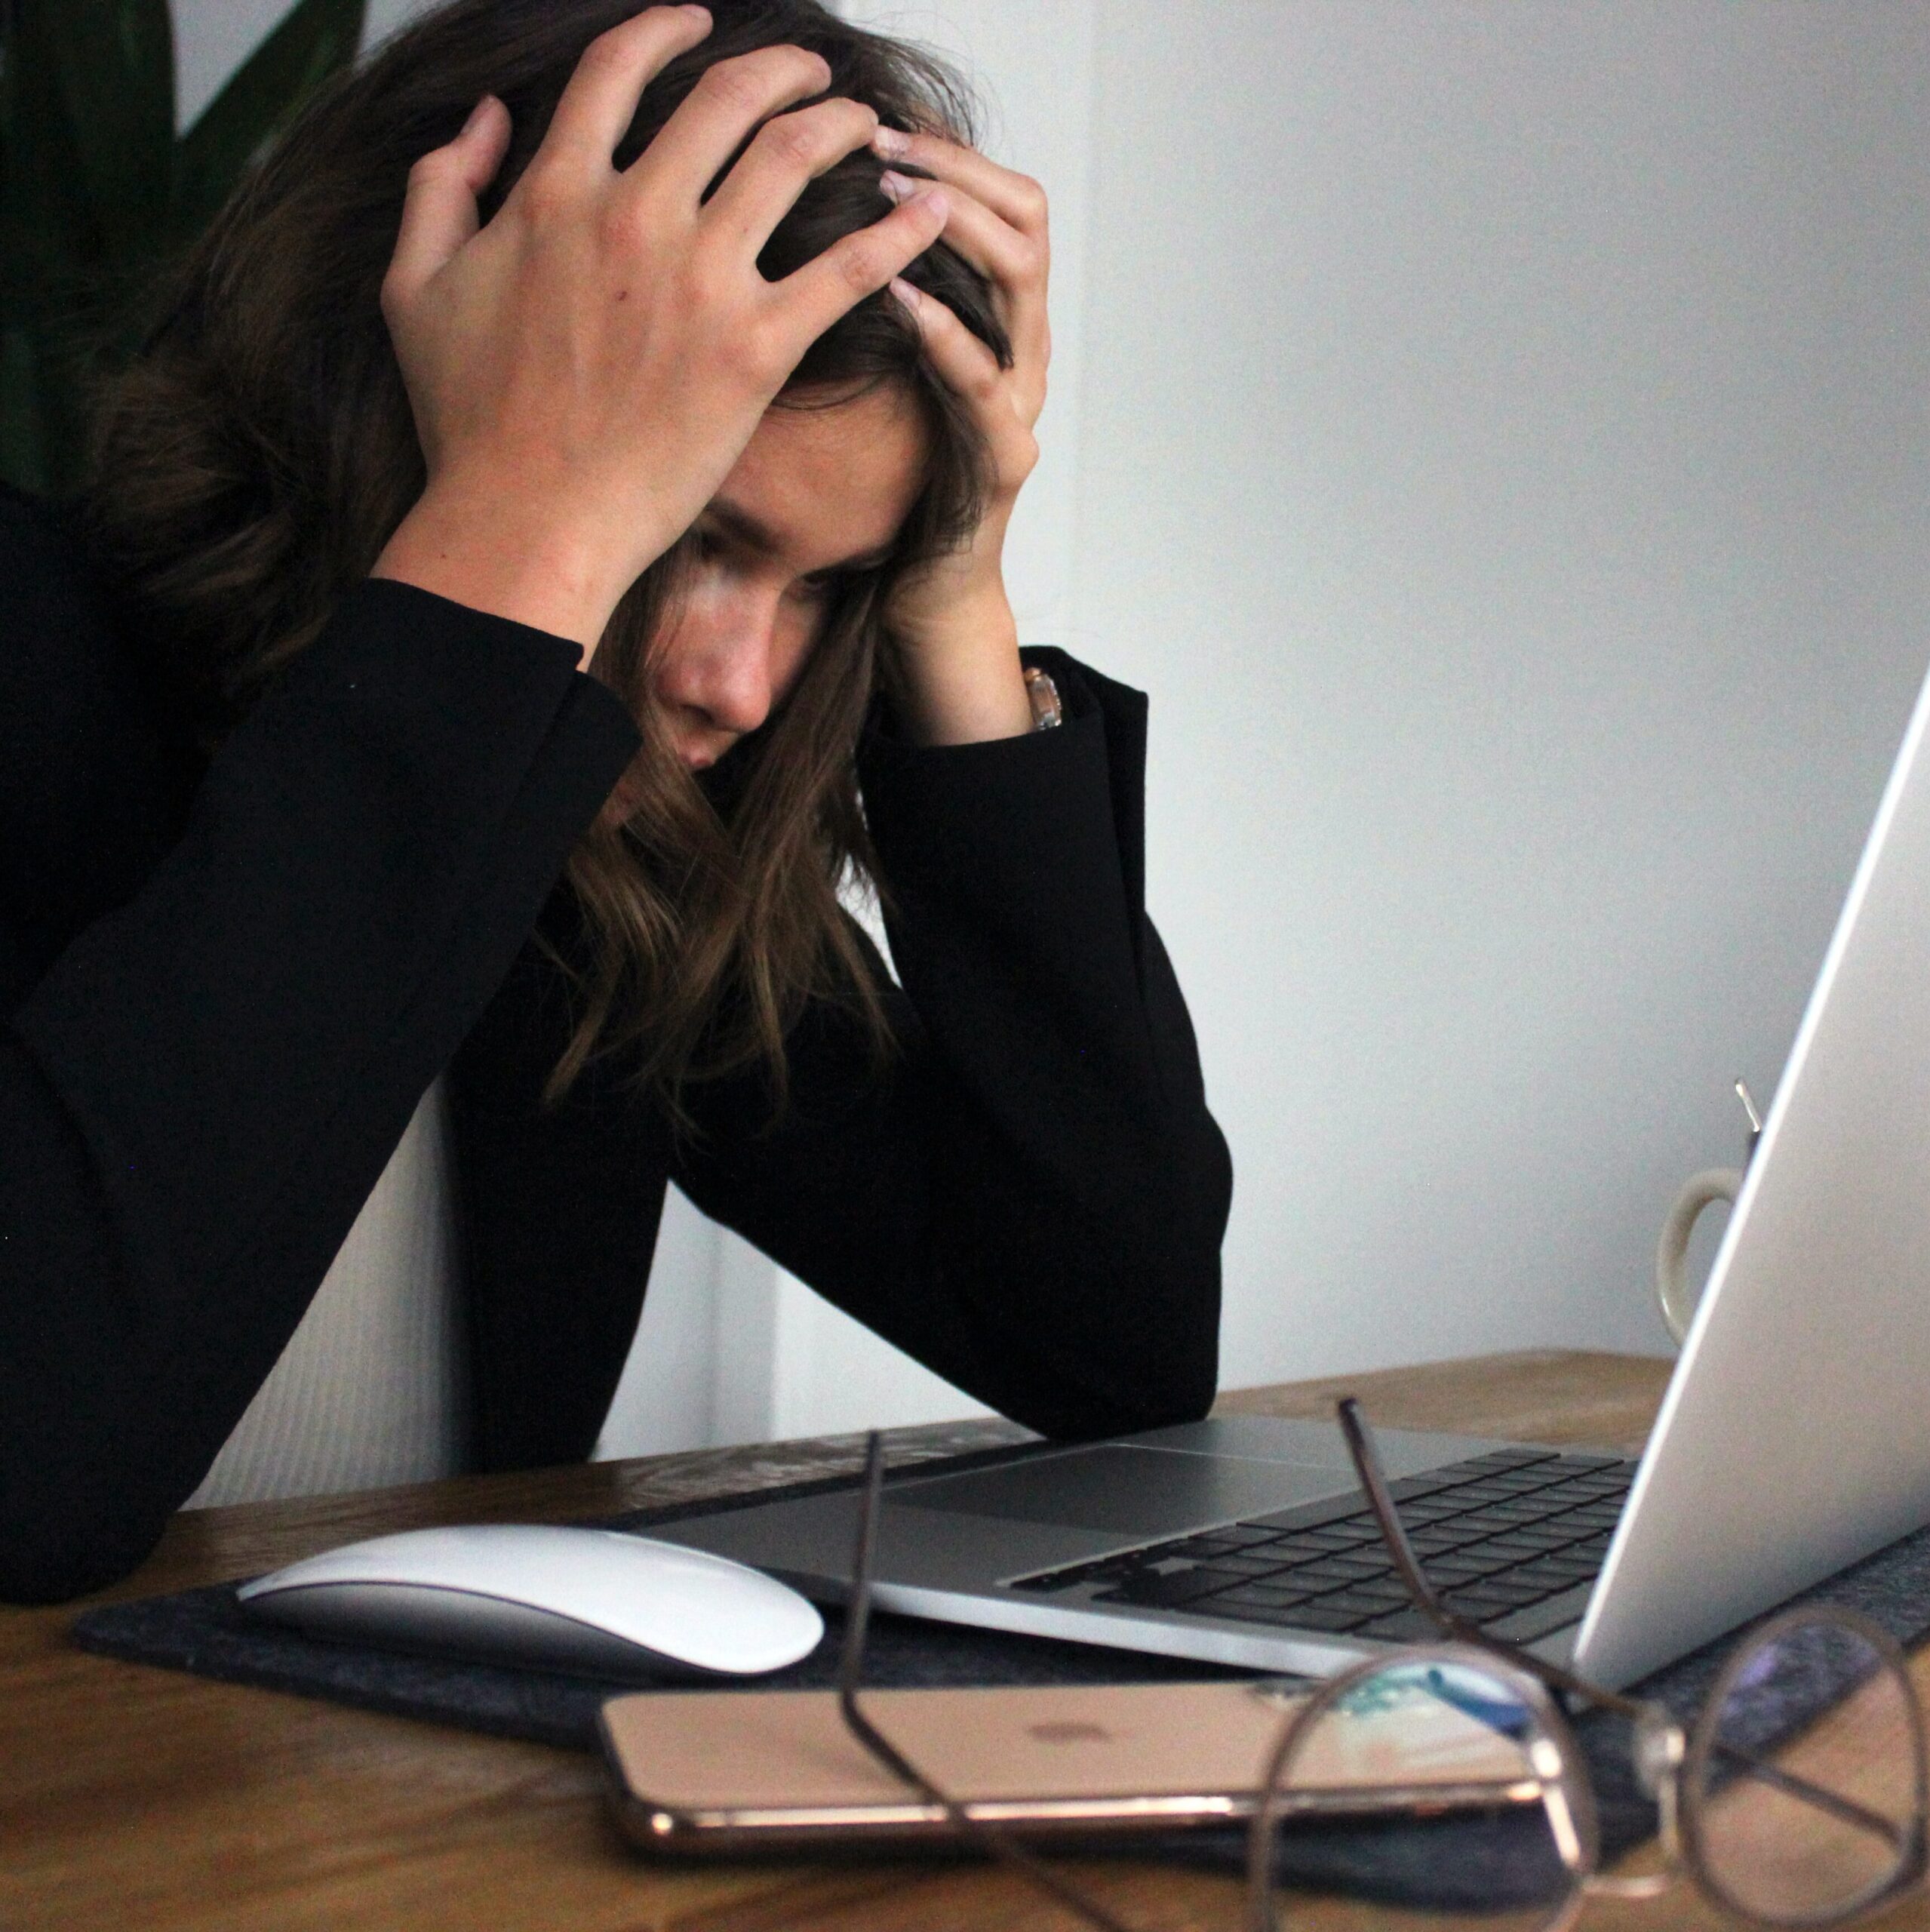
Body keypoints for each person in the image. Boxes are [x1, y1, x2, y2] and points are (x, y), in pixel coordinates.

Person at [0, 0, 1231, 1604]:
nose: (736, 685)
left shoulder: (606, 854)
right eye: (694, 531)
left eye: (827, 584)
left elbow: (1111, 1338)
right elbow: (33, 1471)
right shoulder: (35, 657)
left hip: (364, 1833)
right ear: (406, 391)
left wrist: (951, 599)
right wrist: (524, 524)